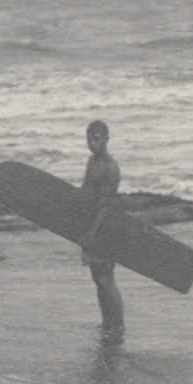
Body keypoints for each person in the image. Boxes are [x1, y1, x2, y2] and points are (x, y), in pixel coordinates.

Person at [77, 119, 125, 340]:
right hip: (91, 223)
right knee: (97, 277)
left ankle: (119, 326)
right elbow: (86, 193)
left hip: (105, 226)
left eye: (97, 139)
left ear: (107, 139)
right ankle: (107, 322)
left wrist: (90, 235)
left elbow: (104, 204)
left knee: (106, 278)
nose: (92, 143)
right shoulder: (92, 161)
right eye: (89, 139)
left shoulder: (110, 167)